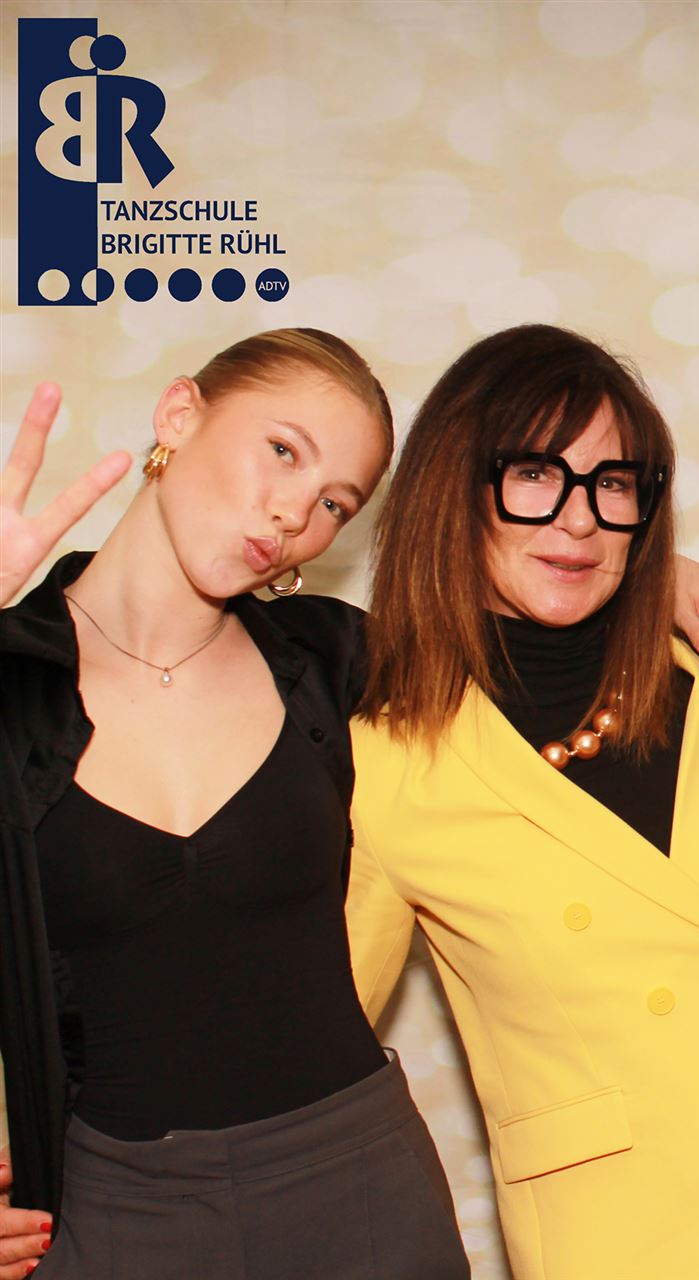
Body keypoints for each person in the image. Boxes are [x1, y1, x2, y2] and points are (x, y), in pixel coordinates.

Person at [343, 323, 699, 1279]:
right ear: (454, 490)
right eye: (535, 474)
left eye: (613, 483)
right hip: (633, 1242)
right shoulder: (383, 765)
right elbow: (315, 1041)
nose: (579, 518)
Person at [0, 332, 470, 1277]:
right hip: (110, 1216)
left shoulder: (335, 659)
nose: (295, 512)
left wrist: (650, 579)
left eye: (335, 503)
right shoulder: (11, 678)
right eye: (283, 450)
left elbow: (543, 666)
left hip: (363, 1194)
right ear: (180, 415)